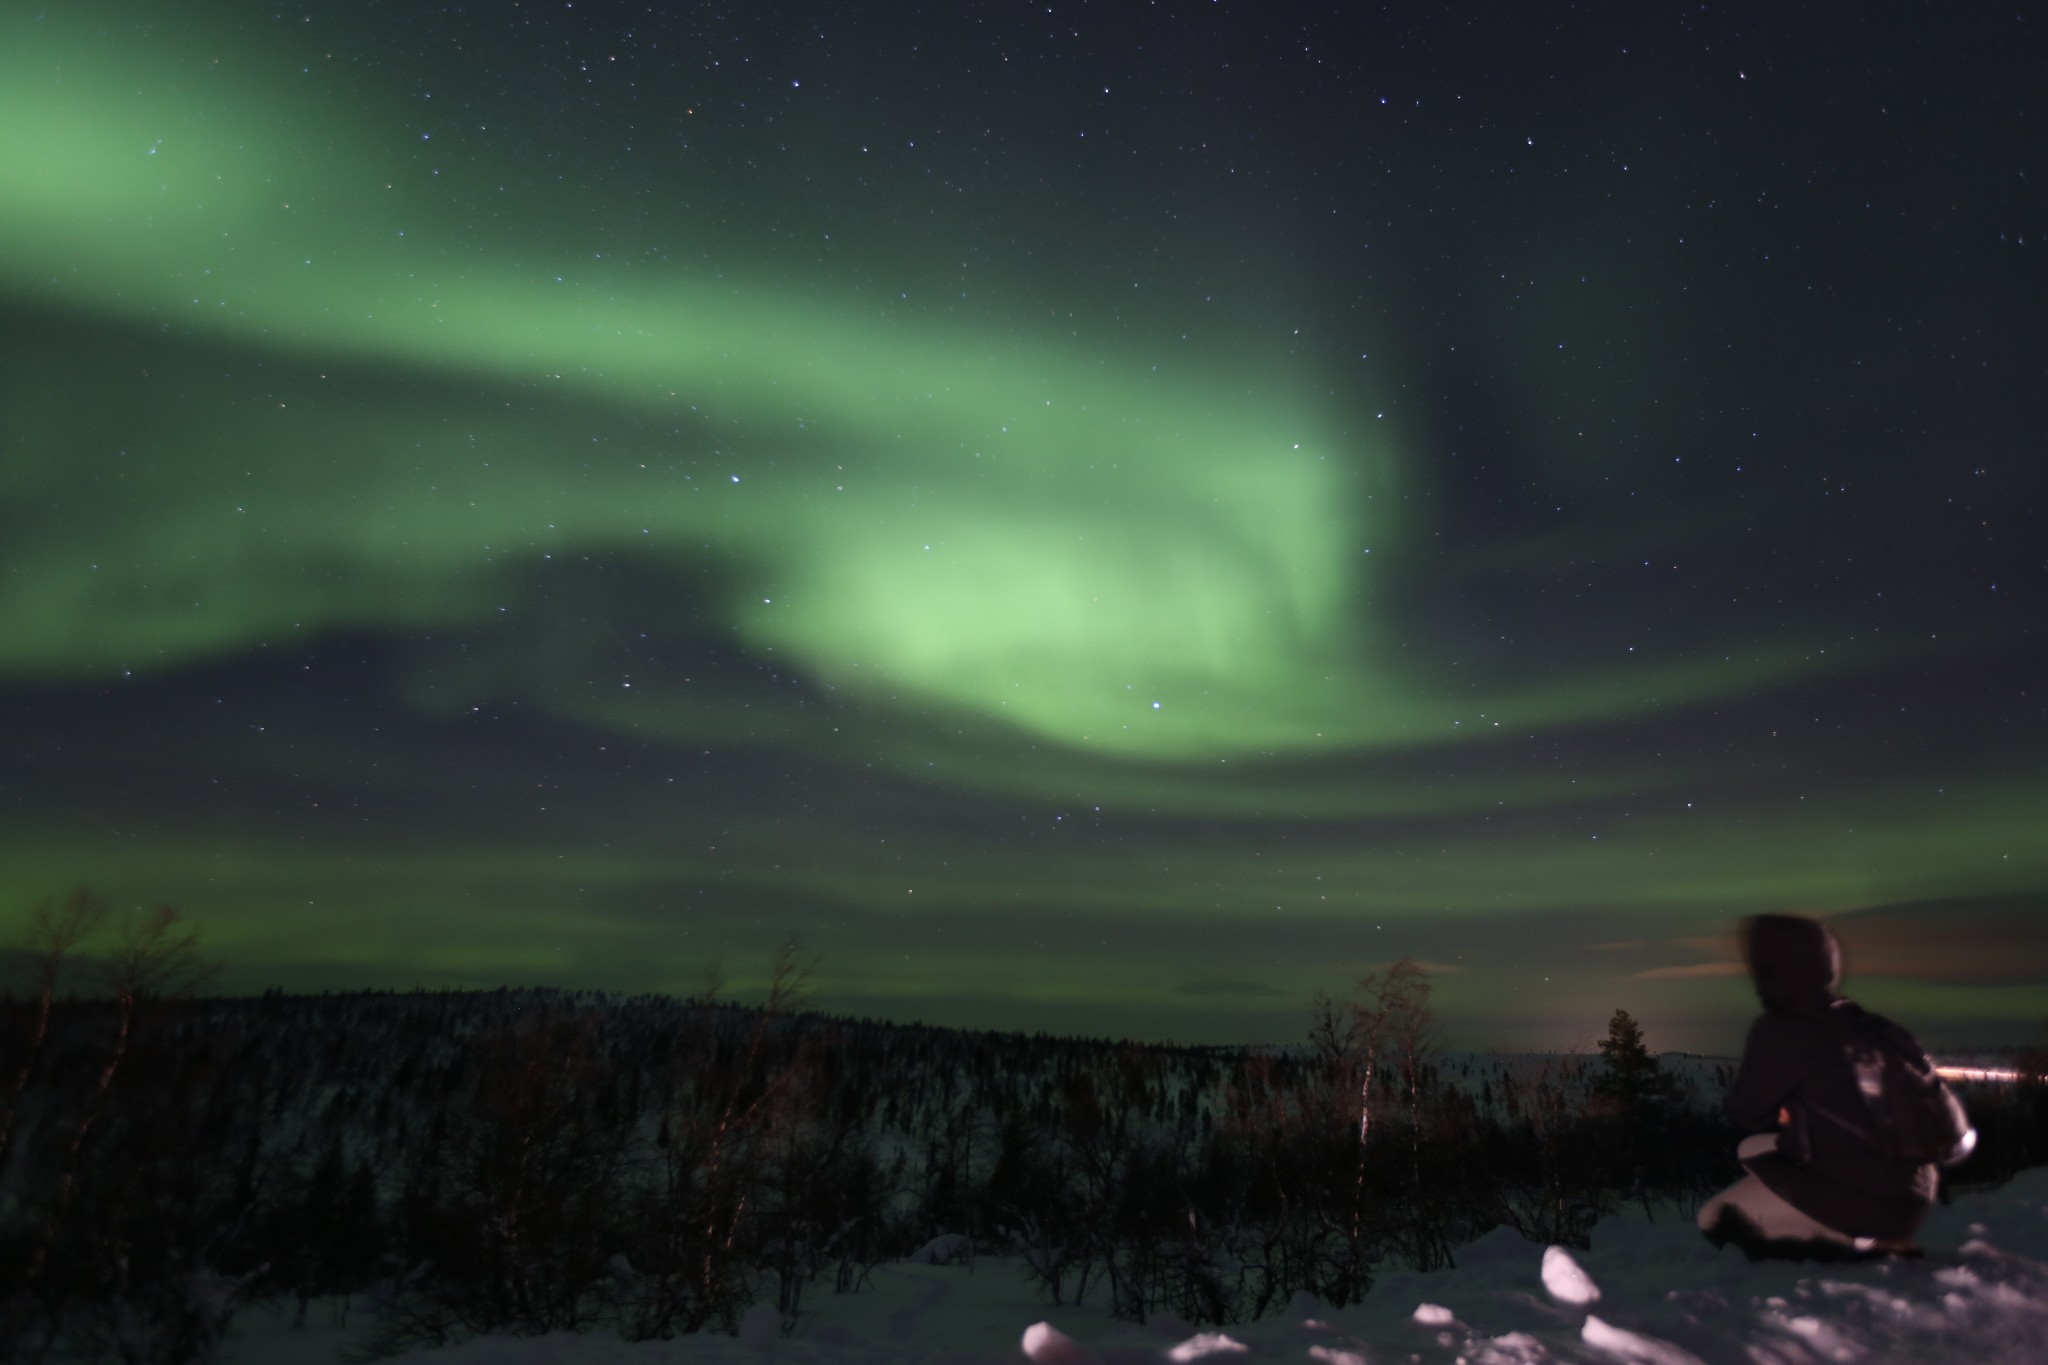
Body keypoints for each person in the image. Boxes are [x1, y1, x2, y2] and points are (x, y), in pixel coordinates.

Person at [1697, 914, 1944, 1258]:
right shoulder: (1877, 1028)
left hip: (1864, 1199)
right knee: (1753, 1151)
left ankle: (1836, 1250)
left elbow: (1745, 1109)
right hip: (1915, 1194)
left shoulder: (1783, 1029)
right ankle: (1870, 1233)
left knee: (1714, 1219)